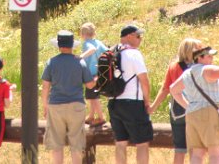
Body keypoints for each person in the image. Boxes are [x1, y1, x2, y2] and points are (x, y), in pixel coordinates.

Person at [41, 30, 95, 164]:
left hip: (56, 105)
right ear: (72, 46)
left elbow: (45, 86)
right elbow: (89, 85)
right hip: (76, 105)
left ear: (59, 46)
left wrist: (45, 106)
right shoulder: (80, 62)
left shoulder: (51, 62)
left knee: (57, 146)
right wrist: (97, 77)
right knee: (76, 145)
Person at [149, 38, 202, 164]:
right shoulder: (199, 68)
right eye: (199, 48)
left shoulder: (173, 66)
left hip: (177, 111)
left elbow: (165, 89)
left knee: (179, 150)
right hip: (195, 109)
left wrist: (153, 107)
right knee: (195, 150)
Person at [108, 24, 153, 164]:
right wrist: (147, 102)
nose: (141, 39)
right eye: (138, 36)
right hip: (133, 103)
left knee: (120, 142)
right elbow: (144, 80)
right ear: (128, 36)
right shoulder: (134, 53)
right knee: (142, 143)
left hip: (113, 102)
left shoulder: (110, 52)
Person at [79, 22, 107, 126]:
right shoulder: (98, 42)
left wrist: (81, 56)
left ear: (83, 34)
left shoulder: (87, 43)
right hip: (99, 73)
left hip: (90, 74)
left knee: (93, 97)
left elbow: (92, 50)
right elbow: (107, 51)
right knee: (93, 95)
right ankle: (91, 116)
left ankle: (100, 117)